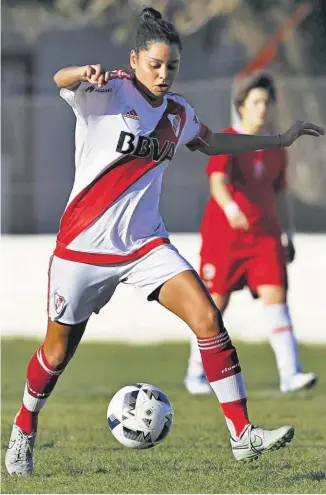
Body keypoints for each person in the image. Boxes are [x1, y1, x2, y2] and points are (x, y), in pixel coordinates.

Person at [5, 7, 324, 476]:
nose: (163, 73)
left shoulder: (178, 113)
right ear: (134, 59)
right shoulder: (105, 91)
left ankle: (242, 435)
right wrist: (81, 71)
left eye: (171, 66)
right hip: (81, 249)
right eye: (155, 64)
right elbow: (59, 78)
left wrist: (279, 140)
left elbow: (213, 142)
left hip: (145, 247)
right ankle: (23, 431)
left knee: (207, 316)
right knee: (56, 354)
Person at [185, 72, 317, 395]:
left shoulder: (277, 147)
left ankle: (291, 373)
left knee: (277, 297)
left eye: (267, 102)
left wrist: (289, 234)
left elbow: (282, 195)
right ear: (241, 106)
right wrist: (231, 209)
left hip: (264, 237)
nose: (263, 108)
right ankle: (196, 374)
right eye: (256, 101)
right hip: (224, 237)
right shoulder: (228, 140)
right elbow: (217, 181)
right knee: (213, 305)